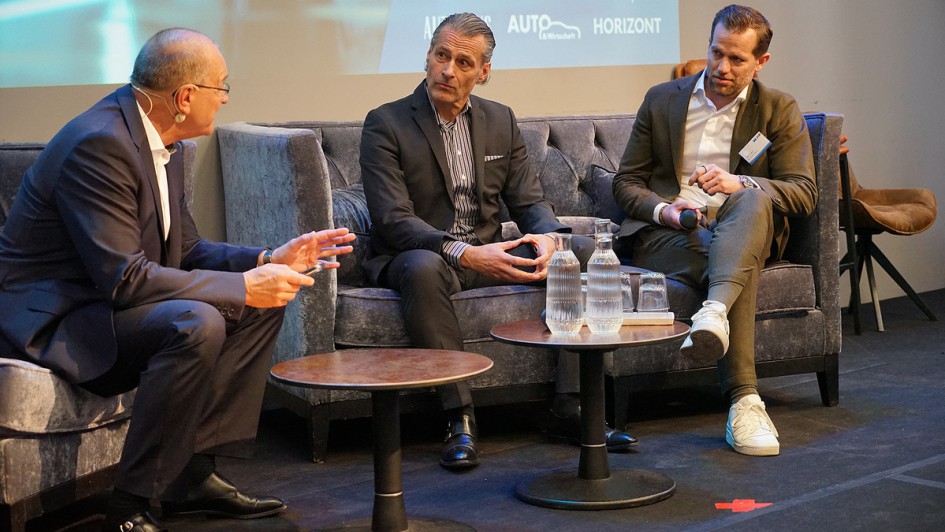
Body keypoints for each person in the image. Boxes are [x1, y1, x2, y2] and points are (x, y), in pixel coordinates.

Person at [0, 28, 355, 531]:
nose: (227, 98)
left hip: (108, 305)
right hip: (60, 321)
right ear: (186, 97)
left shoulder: (166, 142)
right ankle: (129, 505)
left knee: (261, 300)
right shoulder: (100, 144)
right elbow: (124, 279)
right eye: (222, 87)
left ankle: (192, 476)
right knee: (197, 321)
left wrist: (267, 257)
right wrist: (240, 286)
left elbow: (185, 251)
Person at [359, 12, 635, 471]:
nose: (448, 70)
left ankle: (571, 407)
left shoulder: (500, 121)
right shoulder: (386, 123)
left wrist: (551, 238)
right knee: (421, 268)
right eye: (441, 55)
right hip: (425, 254)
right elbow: (393, 220)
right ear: (427, 57)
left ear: (483, 72)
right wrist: (464, 251)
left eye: (463, 62)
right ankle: (459, 417)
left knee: (579, 253)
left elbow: (529, 201)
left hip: (490, 250)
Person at [611, 4, 816, 457]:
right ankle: (745, 399)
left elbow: (804, 193)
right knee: (734, 265)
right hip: (674, 232)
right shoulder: (663, 99)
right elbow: (626, 183)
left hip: (743, 223)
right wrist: (667, 210)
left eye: (737, 59)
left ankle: (713, 313)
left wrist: (739, 183)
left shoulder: (778, 109)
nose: (722, 68)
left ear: (761, 62)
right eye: (715, 53)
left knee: (750, 200)